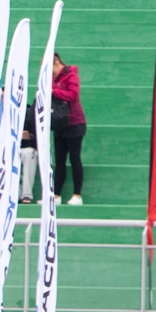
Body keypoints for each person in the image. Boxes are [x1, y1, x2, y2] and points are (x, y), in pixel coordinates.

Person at [49, 52, 87, 205]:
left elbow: (73, 94)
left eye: (52, 70)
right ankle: (56, 195)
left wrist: (54, 92)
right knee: (59, 160)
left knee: (74, 158)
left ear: (57, 63)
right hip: (59, 123)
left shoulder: (71, 74)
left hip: (74, 122)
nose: (51, 74)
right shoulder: (52, 79)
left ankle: (77, 195)